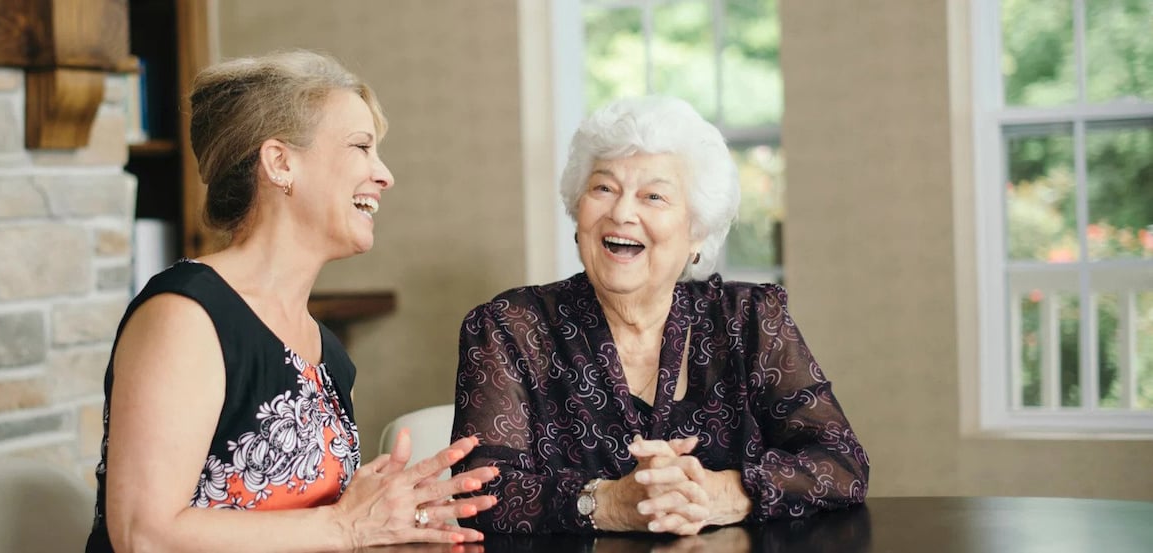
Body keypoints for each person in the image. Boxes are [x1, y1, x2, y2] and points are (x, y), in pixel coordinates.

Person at [86, 50, 499, 552]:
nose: (384, 174)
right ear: (280, 163)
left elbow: (310, 528)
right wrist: (348, 527)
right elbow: (142, 535)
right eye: (361, 147)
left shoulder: (327, 352)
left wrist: (394, 525)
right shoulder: (187, 316)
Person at [451, 96, 868, 536]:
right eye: (604, 188)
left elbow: (841, 462)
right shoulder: (510, 328)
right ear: (578, 212)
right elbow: (477, 495)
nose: (622, 212)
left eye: (653, 196)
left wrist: (724, 492)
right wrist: (607, 502)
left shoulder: (749, 320)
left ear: (697, 233)